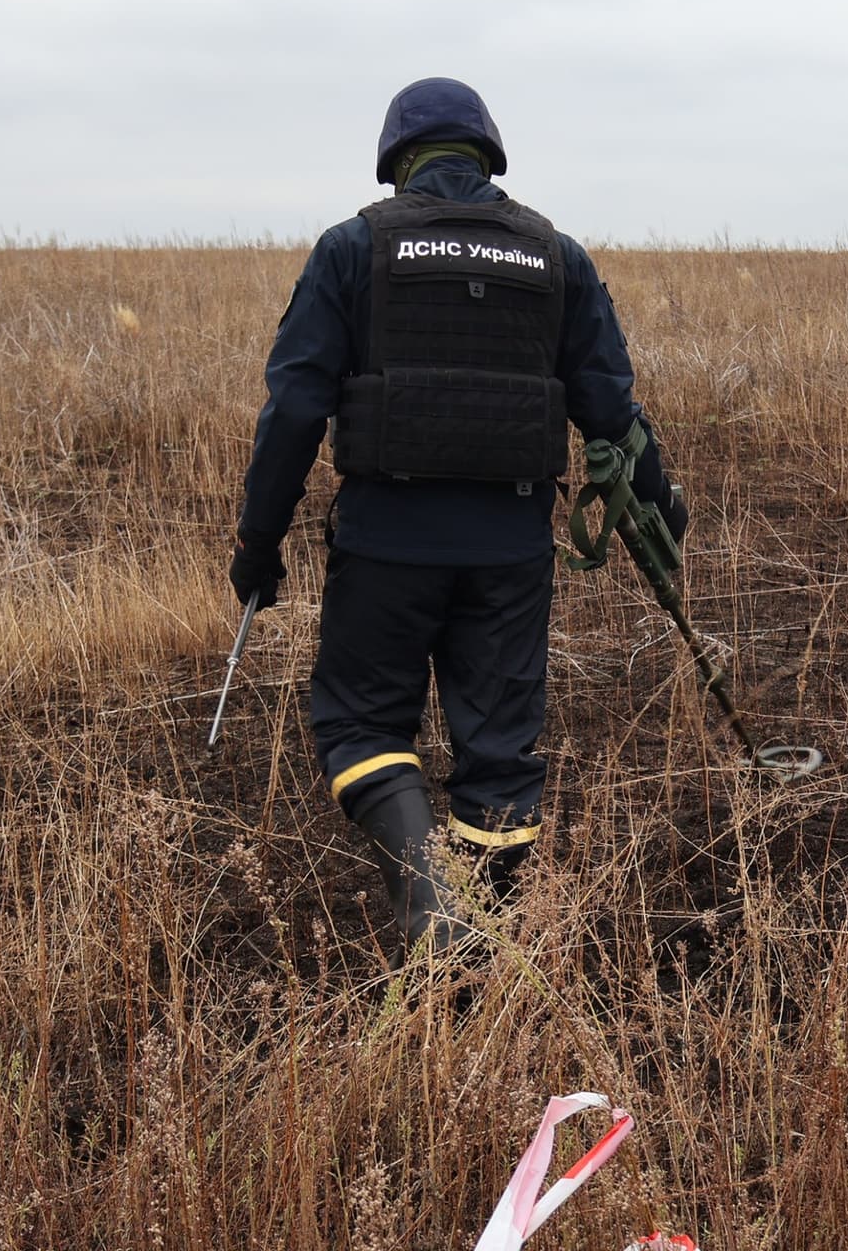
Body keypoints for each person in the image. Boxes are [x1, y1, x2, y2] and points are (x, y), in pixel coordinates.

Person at [228, 77, 685, 965]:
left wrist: (258, 542)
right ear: (488, 154)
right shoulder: (557, 256)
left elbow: (293, 413)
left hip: (385, 546)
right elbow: (613, 414)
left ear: (397, 160)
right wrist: (663, 513)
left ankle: (435, 918)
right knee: (500, 756)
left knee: (363, 728)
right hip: (510, 553)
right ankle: (484, 958)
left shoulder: (353, 248)